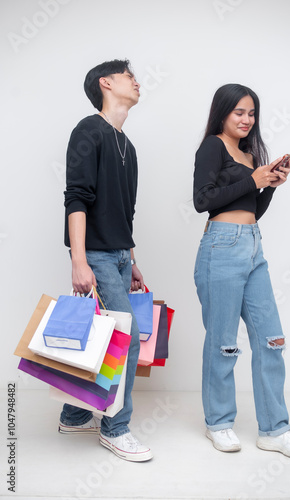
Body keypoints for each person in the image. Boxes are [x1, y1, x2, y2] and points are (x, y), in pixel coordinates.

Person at [193, 83, 290, 459]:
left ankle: (274, 430)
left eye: (251, 113)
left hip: (251, 244)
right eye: (239, 112)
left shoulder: (248, 155)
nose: (246, 119)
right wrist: (253, 180)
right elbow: (203, 200)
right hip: (221, 247)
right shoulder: (212, 146)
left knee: (271, 339)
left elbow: (251, 209)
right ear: (223, 113)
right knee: (224, 342)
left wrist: (270, 185)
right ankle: (219, 423)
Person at [58, 59, 153, 462]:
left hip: (117, 255)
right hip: (94, 255)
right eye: (128, 75)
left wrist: (131, 259)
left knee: (102, 340)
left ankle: (76, 414)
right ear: (106, 83)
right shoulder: (88, 129)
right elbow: (76, 197)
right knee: (123, 340)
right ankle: (116, 428)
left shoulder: (127, 145)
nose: (136, 80)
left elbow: (124, 213)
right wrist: (79, 260)